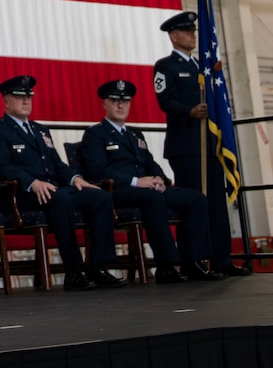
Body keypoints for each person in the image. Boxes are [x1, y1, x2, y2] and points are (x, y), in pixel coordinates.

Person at [0, 75, 127, 290]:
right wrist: (32, 182)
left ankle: (98, 267)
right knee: (60, 199)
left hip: (51, 190)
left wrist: (76, 178)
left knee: (100, 198)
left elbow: (57, 164)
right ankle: (74, 271)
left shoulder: (41, 130)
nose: (25, 101)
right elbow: (0, 166)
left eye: (28, 96)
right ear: (6, 101)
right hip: (20, 193)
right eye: (19, 96)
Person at [81, 79, 222, 283]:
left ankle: (193, 262)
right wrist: (137, 181)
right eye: (115, 101)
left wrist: (159, 178)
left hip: (147, 187)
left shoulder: (135, 134)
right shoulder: (95, 134)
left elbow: (150, 162)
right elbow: (97, 170)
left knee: (196, 198)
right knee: (152, 198)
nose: (121, 105)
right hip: (118, 191)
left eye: (125, 101)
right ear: (105, 104)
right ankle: (166, 266)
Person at [153, 11, 251, 277]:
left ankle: (222, 259)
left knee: (216, 204)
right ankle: (193, 260)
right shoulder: (166, 66)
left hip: (210, 145)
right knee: (194, 203)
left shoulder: (203, 66)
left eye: (193, 31)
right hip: (186, 146)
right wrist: (189, 111)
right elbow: (165, 101)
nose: (192, 35)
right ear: (174, 36)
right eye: (187, 31)